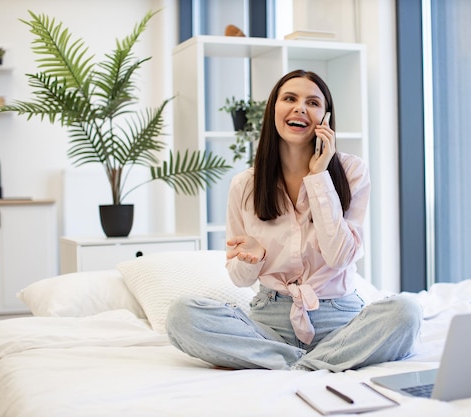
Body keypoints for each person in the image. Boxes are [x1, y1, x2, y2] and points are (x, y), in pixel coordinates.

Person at [166, 69, 422, 372]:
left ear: (326, 118)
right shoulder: (244, 184)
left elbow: (340, 257)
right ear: (274, 108)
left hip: (340, 319)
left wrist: (319, 177)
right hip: (269, 321)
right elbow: (240, 279)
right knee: (181, 316)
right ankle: (318, 363)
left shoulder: (353, 171)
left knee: (406, 312)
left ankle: (284, 362)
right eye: (290, 98)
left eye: (313, 102)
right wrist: (253, 258)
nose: (300, 107)